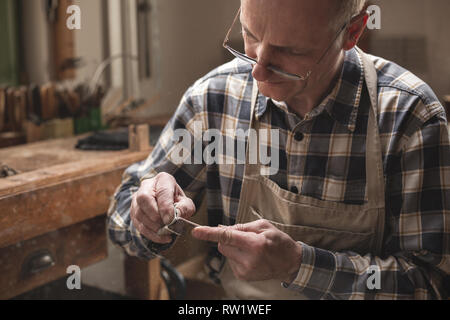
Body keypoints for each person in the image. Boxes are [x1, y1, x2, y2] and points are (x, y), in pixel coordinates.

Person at [107, 0, 450, 299]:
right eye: (251, 35)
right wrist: (148, 216)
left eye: (291, 51)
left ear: (353, 31)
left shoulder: (410, 117)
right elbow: (121, 214)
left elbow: (432, 284)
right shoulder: (213, 100)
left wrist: (299, 265)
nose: (257, 69)